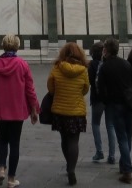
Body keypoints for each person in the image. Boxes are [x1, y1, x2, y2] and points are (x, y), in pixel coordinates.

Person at [0, 34, 39, 188]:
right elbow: (30, 90)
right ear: (17, 46)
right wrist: (34, 109)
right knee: (15, 143)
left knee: (3, 140)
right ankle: (11, 179)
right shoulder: (22, 64)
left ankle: (1, 170)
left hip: (0, 110)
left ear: (3, 46)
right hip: (17, 110)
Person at [97, 37, 132, 184]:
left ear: (106, 50)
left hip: (115, 105)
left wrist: (106, 101)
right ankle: (123, 165)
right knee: (127, 137)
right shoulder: (126, 64)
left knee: (121, 137)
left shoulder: (105, 67)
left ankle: (127, 171)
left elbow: (100, 89)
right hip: (129, 104)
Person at [48, 42, 89, 185]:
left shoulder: (56, 68)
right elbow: (85, 89)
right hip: (76, 111)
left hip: (60, 110)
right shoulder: (83, 70)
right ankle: (71, 169)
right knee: (73, 141)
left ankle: (68, 165)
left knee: (64, 139)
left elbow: (51, 89)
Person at [88, 41, 116, 165]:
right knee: (110, 125)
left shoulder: (92, 65)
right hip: (110, 98)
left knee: (95, 124)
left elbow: (90, 82)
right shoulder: (109, 63)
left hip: (97, 98)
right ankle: (112, 155)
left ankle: (99, 152)